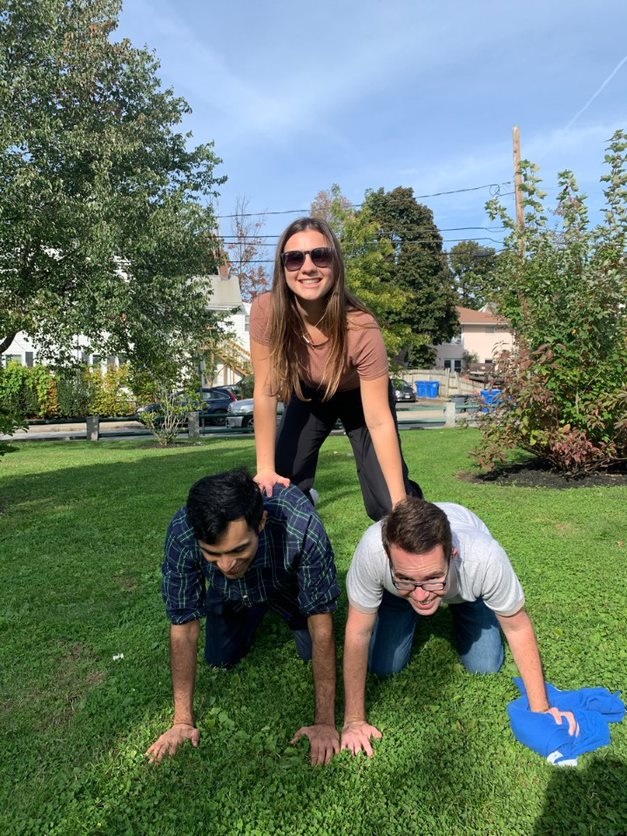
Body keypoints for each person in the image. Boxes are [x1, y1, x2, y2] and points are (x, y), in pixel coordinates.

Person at [340, 496, 578, 756]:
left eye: (433, 578)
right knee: (384, 665)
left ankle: (462, 605)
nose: (421, 596)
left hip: (467, 591)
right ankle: (404, 601)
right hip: (399, 597)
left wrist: (541, 711)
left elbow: (517, 628)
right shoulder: (372, 550)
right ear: (387, 557)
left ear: (453, 556)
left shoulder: (484, 558)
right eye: (405, 578)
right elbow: (358, 631)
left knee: (485, 665)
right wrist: (354, 721)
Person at [146, 468, 340, 766]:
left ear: (261, 521)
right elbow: (183, 627)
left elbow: (322, 624)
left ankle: (270, 605)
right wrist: (182, 721)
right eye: (213, 553)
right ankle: (253, 607)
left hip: (285, 583)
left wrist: (325, 723)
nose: (226, 564)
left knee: (310, 648)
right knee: (219, 657)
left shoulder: (302, 526)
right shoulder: (184, 532)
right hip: (229, 595)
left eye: (238, 550)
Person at [250, 216, 422, 522]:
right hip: (309, 396)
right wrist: (265, 469)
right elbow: (265, 390)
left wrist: (400, 507)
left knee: (386, 505)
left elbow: (380, 421)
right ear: (283, 267)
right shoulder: (266, 311)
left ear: (335, 263)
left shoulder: (360, 327)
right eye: (294, 258)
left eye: (320, 255)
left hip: (360, 398)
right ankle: (301, 529)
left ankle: (417, 515)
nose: (308, 267)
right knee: (280, 488)